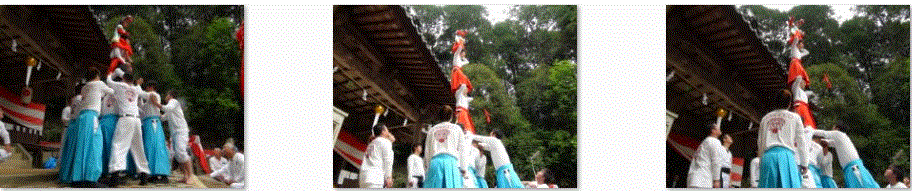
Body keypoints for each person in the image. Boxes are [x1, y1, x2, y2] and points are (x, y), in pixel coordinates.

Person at [59, 68, 112, 187]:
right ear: (97, 76)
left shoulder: (85, 87)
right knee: (94, 146)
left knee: (82, 146)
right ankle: (90, 178)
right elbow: (112, 91)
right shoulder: (99, 84)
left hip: (82, 118)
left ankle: (78, 178)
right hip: (91, 117)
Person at [104, 68, 151, 186]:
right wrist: (137, 83)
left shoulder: (120, 85)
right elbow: (142, 92)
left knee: (118, 146)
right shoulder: (136, 88)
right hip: (136, 120)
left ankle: (114, 176)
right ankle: (144, 174)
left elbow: (109, 81)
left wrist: (110, 73)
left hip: (125, 119)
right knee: (138, 147)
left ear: (124, 78)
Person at [757, 91, 808, 188]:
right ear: (789, 103)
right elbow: (801, 142)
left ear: (775, 102)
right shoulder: (795, 117)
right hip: (786, 157)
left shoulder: (765, 118)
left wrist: (761, 160)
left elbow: (760, 142)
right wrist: (804, 163)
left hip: (768, 157)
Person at [810, 126, 879, 188]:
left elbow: (824, 133)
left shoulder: (839, 134)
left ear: (837, 128)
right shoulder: (841, 139)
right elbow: (828, 143)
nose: (832, 129)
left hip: (854, 168)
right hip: (850, 169)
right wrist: (820, 141)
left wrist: (810, 130)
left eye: (833, 127)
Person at [423, 106, 466, 188]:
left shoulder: (432, 130)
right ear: (451, 116)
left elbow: (427, 150)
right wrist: (463, 168)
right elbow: (462, 150)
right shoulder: (457, 128)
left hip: (435, 162)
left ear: (439, 116)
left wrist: (427, 166)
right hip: (451, 163)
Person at [138, 81, 169, 183]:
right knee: (149, 147)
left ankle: (162, 174)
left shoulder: (153, 94)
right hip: (147, 123)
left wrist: (137, 84)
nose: (146, 89)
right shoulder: (148, 99)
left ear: (151, 87)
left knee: (157, 146)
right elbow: (141, 108)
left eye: (147, 87)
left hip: (153, 122)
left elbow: (140, 93)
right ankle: (153, 172)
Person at [161, 90, 194, 184]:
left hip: (181, 131)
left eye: (167, 95)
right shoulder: (171, 109)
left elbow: (166, 108)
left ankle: (190, 176)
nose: (166, 96)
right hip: (175, 133)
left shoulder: (174, 102)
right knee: (178, 156)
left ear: (170, 95)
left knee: (181, 153)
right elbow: (163, 117)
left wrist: (156, 103)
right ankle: (185, 176)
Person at [686, 123, 725, 188]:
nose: (719, 129)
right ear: (713, 131)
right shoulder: (715, 141)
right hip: (703, 180)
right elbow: (716, 162)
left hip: (694, 178)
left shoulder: (704, 142)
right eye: (717, 128)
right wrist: (716, 180)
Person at [359, 124, 395, 188]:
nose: (388, 132)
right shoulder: (385, 142)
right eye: (387, 130)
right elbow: (388, 161)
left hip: (364, 177)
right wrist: (388, 177)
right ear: (383, 131)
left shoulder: (371, 143)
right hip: (375, 178)